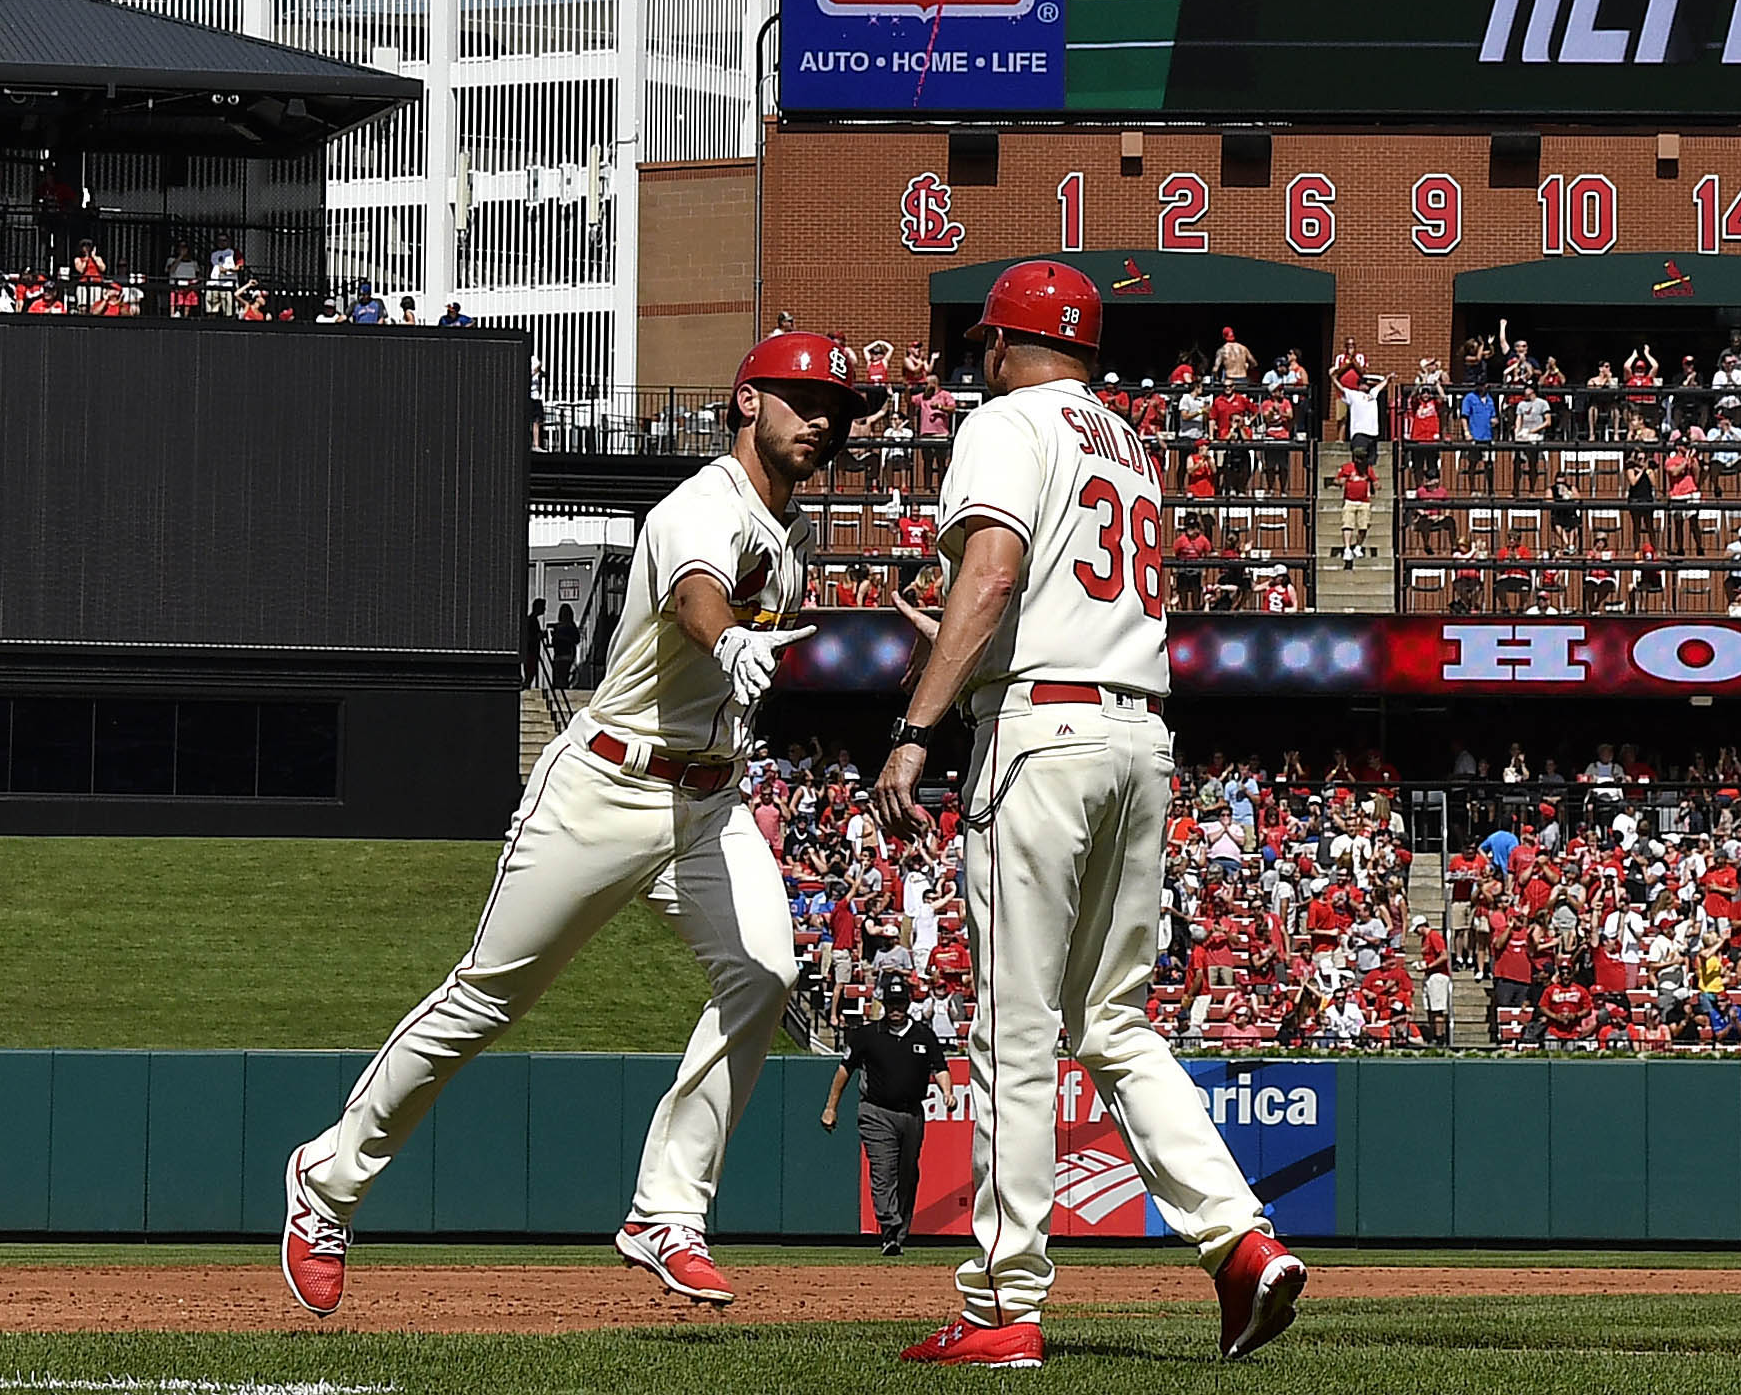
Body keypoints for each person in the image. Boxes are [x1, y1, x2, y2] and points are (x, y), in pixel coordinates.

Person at [284, 330, 868, 1320]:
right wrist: (727, 638)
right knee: (485, 1002)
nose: (822, 418)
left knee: (767, 972)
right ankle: (324, 1186)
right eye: (800, 397)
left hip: (707, 802)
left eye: (837, 407)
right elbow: (696, 593)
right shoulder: (705, 503)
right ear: (743, 402)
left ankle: (666, 1214)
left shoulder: (786, 528)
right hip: (604, 789)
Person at [877, 259, 1302, 1368]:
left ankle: (1000, 1307)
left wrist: (919, 725)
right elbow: (1047, 604)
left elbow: (995, 573)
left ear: (1005, 345)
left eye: (984, 345)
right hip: (1137, 734)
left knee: (1015, 1028)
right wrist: (970, 670)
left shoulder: (1009, 420)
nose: (980, 361)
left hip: (1042, 740)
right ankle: (1240, 1242)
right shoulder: (1131, 443)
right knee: (1113, 1022)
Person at [823, 974, 949, 1258]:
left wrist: (947, 1092)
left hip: (912, 1113)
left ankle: (898, 1233)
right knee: (883, 1171)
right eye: (891, 1002)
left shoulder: (923, 1034)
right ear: (883, 1004)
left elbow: (939, 1066)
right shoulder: (868, 1034)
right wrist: (831, 1107)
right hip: (876, 1112)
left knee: (908, 1173)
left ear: (908, 1003)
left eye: (900, 1002)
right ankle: (889, 1228)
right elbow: (845, 1069)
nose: (895, 1008)